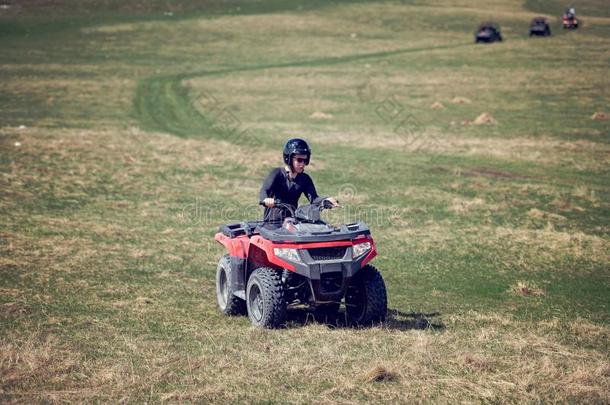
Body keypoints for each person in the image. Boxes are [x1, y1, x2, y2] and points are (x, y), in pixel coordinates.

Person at [259, 138, 338, 227]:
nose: (302, 164)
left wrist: (325, 200)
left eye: (305, 160)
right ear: (288, 158)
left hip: (291, 221)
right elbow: (264, 190)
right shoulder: (277, 174)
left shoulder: (305, 179)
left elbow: (314, 199)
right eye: (299, 160)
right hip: (272, 223)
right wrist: (266, 200)